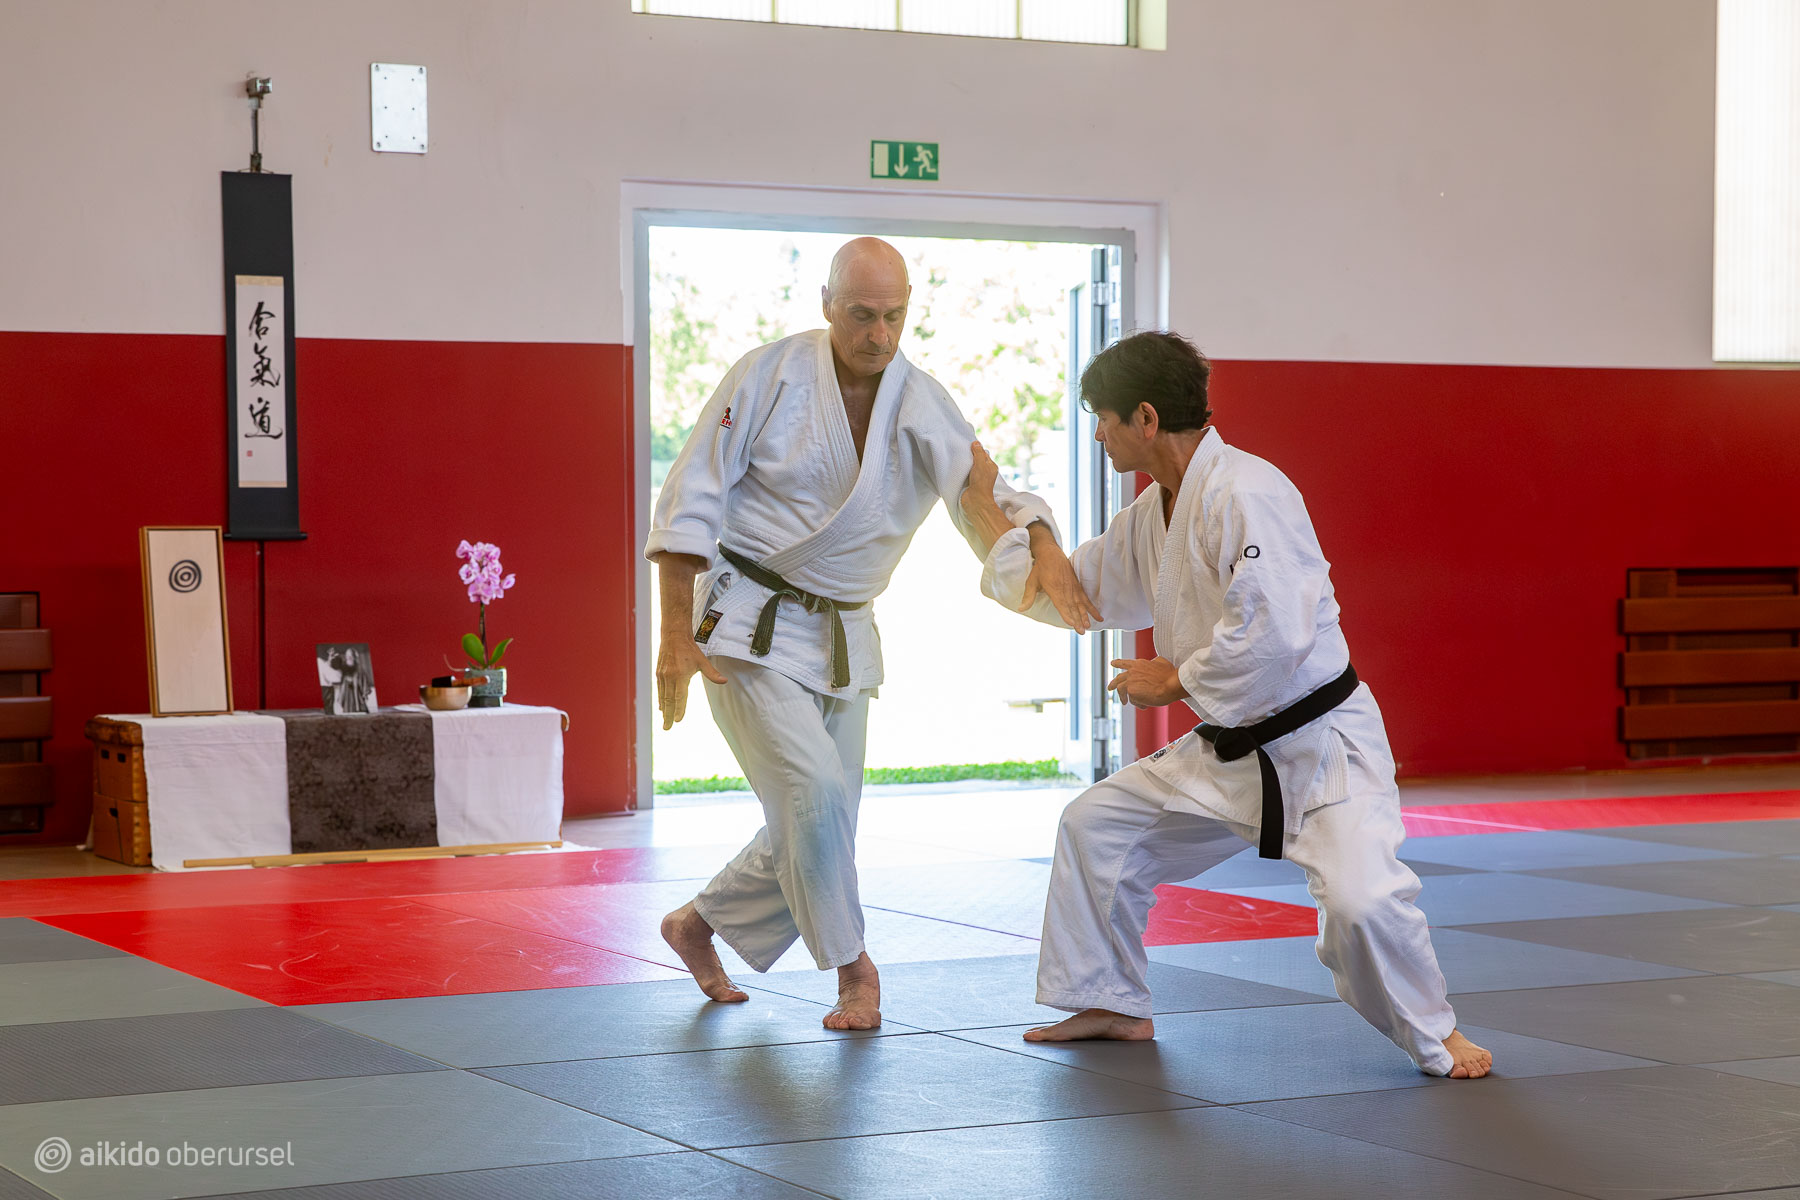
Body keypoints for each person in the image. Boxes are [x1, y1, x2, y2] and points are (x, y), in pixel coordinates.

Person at [959, 330, 1491, 1078]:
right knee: (1095, 825)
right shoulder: (1154, 512)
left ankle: (1438, 1034)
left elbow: (1273, 630)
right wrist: (1024, 526)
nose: (1098, 434)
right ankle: (1109, 1000)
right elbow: (1080, 589)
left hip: (1319, 745)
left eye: (1102, 417)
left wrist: (1174, 680)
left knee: (1362, 905)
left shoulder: (1248, 491)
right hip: (1228, 746)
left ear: (1145, 419)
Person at [645, 238, 1095, 1030]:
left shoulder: (920, 401)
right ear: (827, 303)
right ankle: (855, 971)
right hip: (746, 623)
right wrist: (675, 632)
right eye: (861, 314)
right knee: (815, 796)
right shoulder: (767, 376)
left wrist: (1043, 542)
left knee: (824, 816)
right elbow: (693, 493)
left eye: (894, 316)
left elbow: (982, 490)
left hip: (844, 637)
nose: (879, 334)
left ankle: (698, 922)